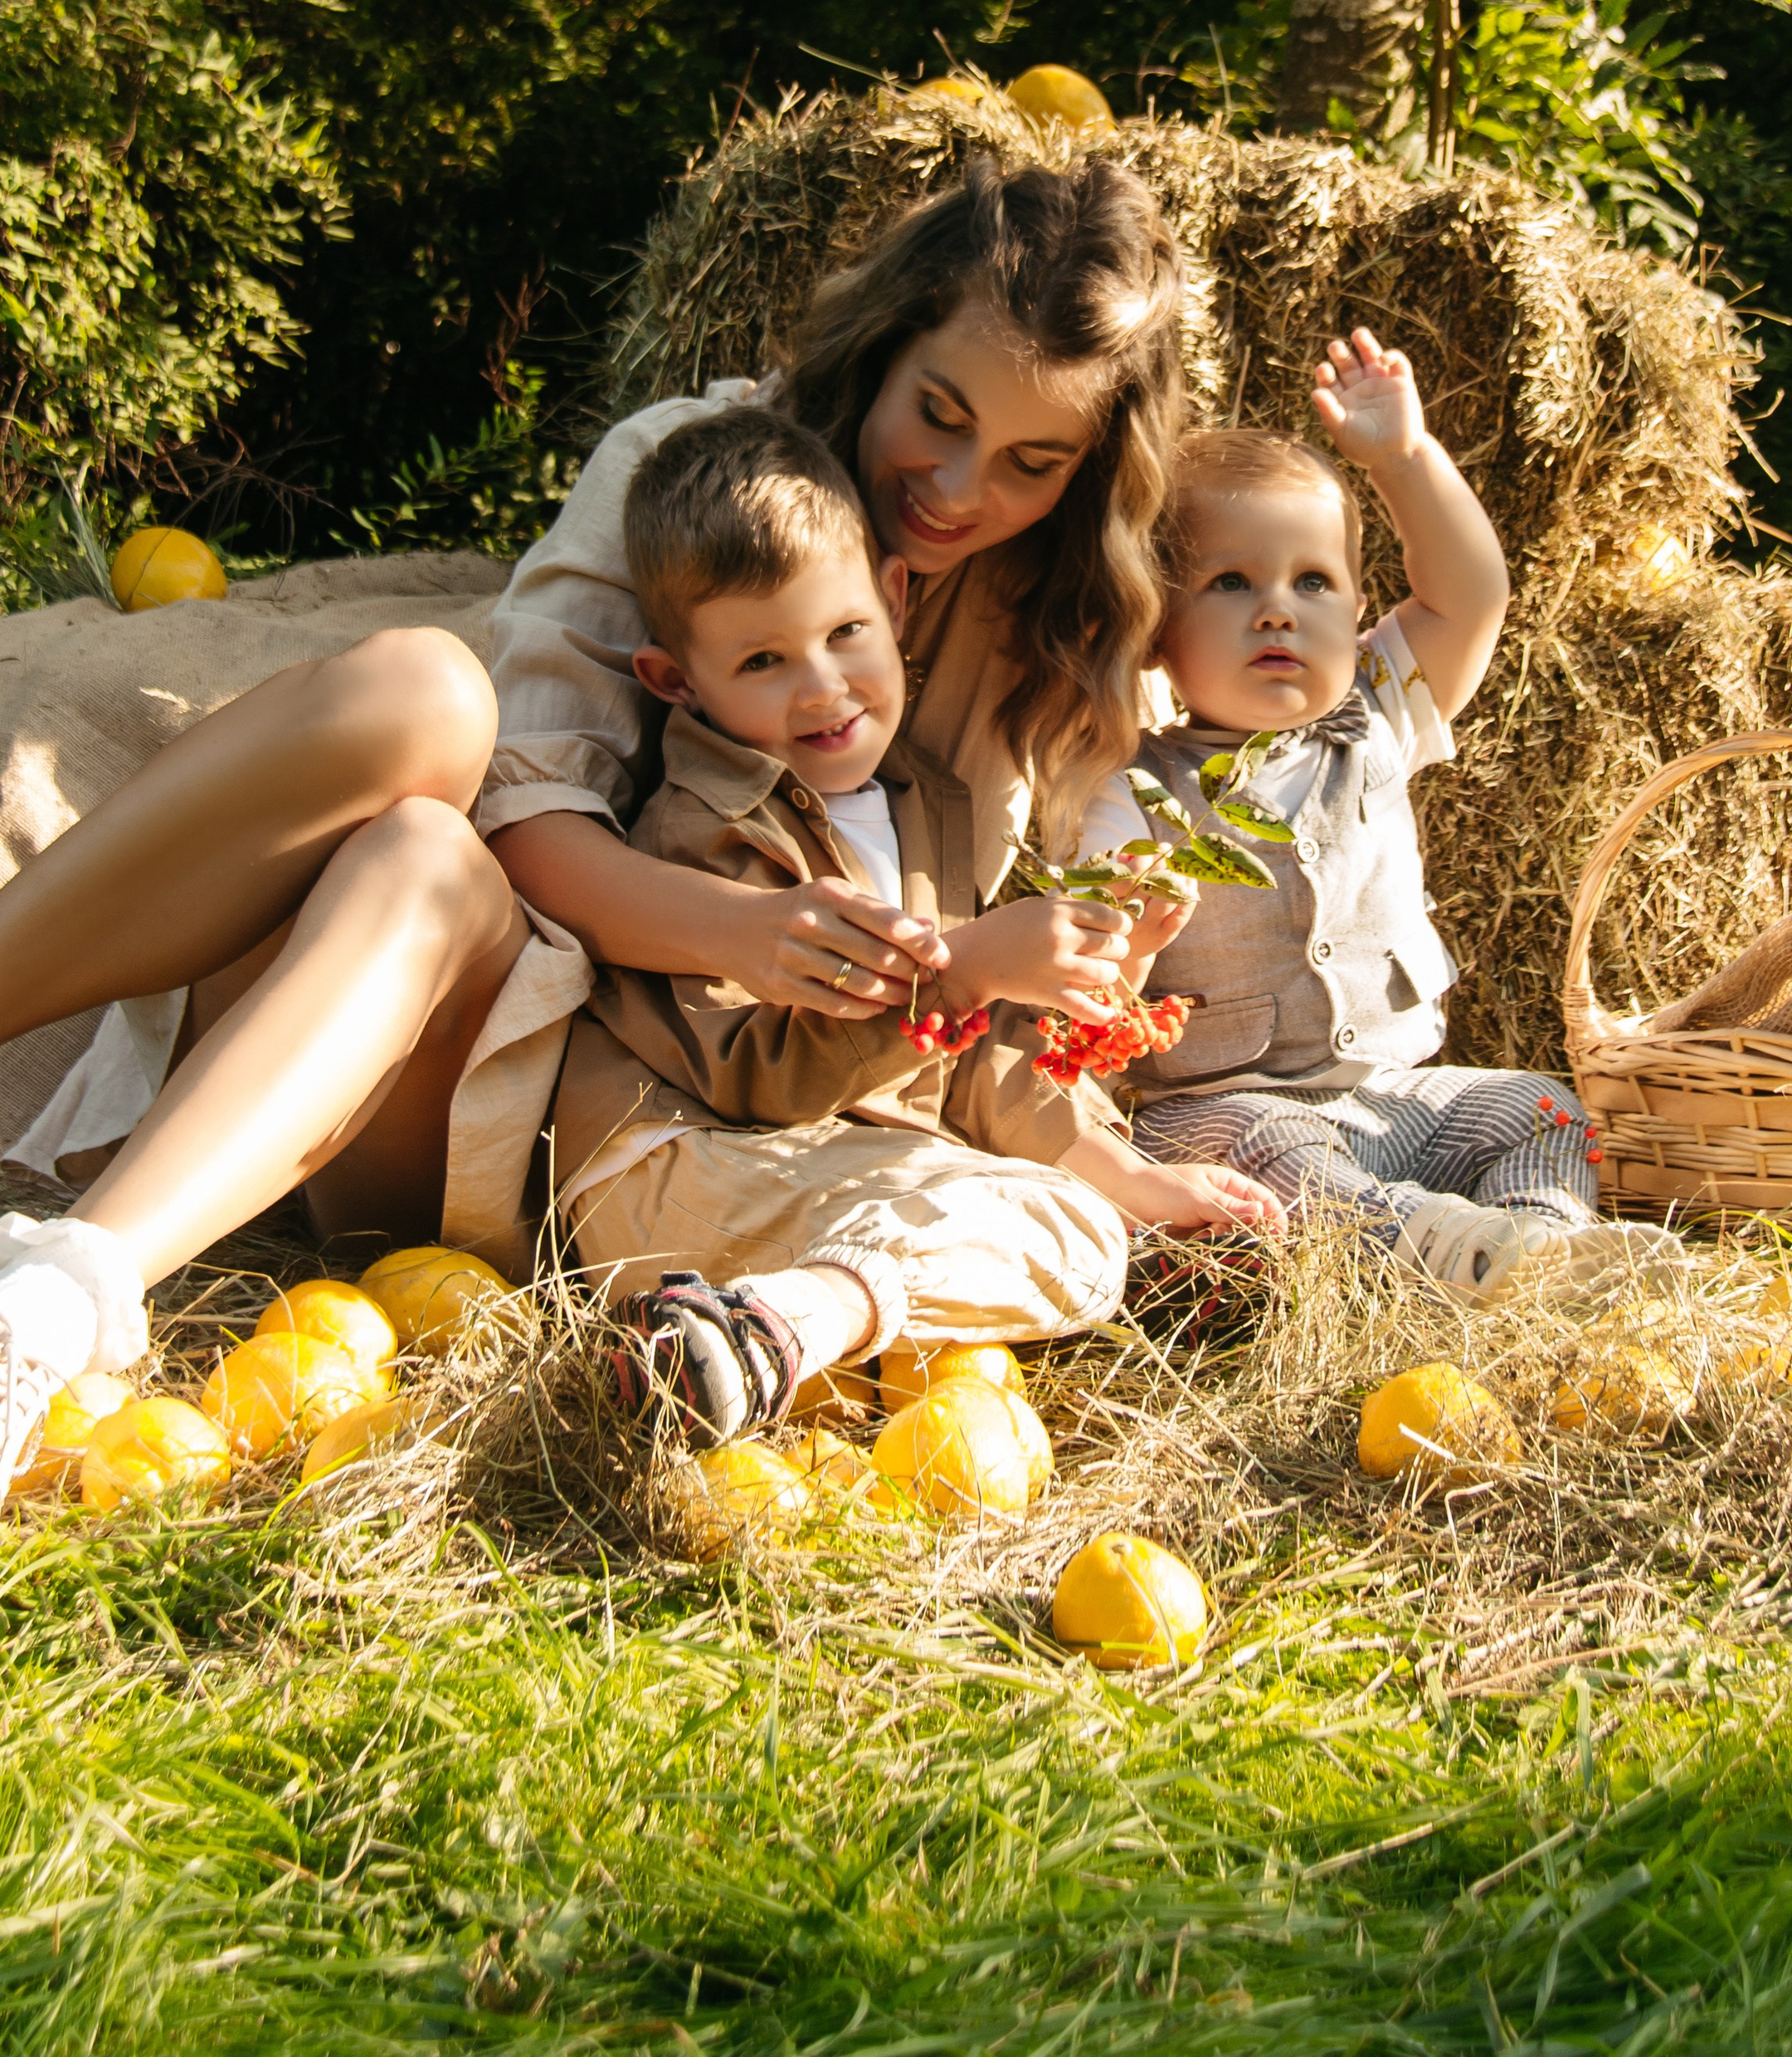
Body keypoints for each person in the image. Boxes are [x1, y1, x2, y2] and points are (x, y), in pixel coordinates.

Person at [0, 156, 1234, 1478]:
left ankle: (60, 1297)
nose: (954, 482)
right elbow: (525, 817)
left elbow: (1004, 988)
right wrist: (750, 927)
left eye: (1031, 461)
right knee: (422, 713)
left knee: (424, 854)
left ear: (1092, 466)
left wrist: (1118, 939)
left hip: (582, 1139)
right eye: (935, 412)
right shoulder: (685, 469)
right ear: (882, 347)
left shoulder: (1052, 624)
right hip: (442, 985)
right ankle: (62, 1292)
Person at [565, 401, 1280, 1431]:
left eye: (843, 632)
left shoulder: (929, 801)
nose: (821, 688)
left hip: (827, 1173)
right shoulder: (706, 832)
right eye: (761, 662)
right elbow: (759, 1078)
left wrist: (1123, 1161)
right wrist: (968, 964)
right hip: (674, 1163)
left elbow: (968, 1059)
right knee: (1060, 1233)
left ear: (895, 602)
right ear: (676, 683)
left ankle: (761, 1330)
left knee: (1083, 1229)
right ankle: (790, 1324)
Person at [1085, 328, 1677, 1299]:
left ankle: (1540, 1243)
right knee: (1272, 1157)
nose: (1277, 609)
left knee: (1540, 1106)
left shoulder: (1379, 711)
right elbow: (1103, 973)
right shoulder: (1131, 786)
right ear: (1155, 630)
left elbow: (1471, 594)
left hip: (1395, 1096)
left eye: (1310, 582)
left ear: (1357, 607)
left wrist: (1403, 459)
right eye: (1230, 583)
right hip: (1223, 1106)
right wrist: (1133, 941)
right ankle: (1444, 1251)